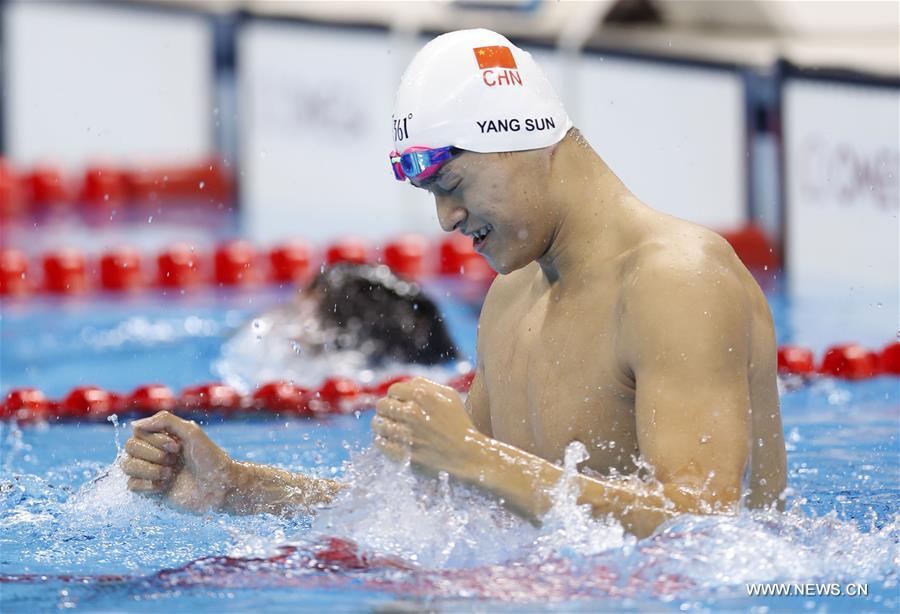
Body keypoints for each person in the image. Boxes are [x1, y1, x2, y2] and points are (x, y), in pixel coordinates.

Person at [123, 29, 786, 539]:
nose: (446, 220)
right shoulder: (513, 298)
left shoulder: (674, 278)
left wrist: (474, 457)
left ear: (517, 142)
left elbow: (707, 527)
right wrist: (237, 488)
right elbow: (448, 506)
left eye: (451, 185)